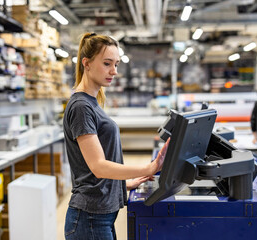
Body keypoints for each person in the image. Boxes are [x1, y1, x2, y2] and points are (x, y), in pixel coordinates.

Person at [63, 32, 169, 240]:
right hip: (89, 217)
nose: (114, 71)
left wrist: (123, 185)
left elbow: (92, 172)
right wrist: (150, 167)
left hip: (99, 215)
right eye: (107, 63)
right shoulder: (82, 107)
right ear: (87, 63)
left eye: (117, 64)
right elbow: (98, 166)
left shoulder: (93, 103)